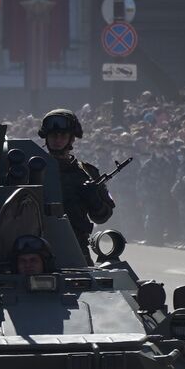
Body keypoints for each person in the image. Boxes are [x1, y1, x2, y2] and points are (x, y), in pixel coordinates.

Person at [38, 109, 113, 261]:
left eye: (63, 135)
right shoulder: (33, 169)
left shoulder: (87, 172)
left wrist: (94, 199)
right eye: (53, 135)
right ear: (46, 138)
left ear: (71, 139)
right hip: (37, 246)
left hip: (76, 246)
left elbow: (103, 216)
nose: (57, 139)